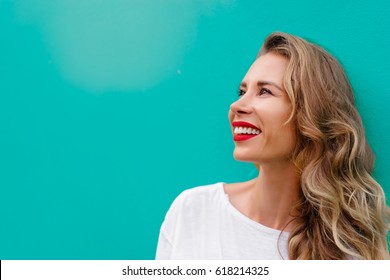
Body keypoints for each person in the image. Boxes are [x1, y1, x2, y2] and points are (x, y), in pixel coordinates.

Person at [155, 32, 390, 260]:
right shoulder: (193, 211)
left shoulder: (348, 255)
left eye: (265, 91)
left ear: (308, 115)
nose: (237, 105)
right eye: (242, 91)